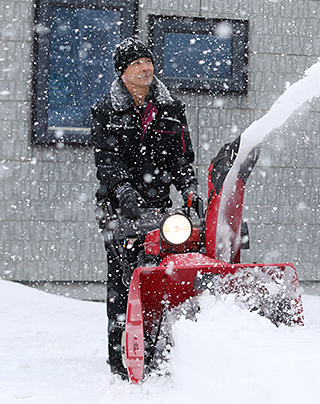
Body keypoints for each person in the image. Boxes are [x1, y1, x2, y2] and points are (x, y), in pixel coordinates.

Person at [91, 37, 203, 378]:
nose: (146, 68)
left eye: (149, 61)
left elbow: (182, 156)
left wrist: (188, 188)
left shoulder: (171, 110)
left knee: (164, 271)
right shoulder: (106, 111)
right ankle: (120, 357)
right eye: (138, 63)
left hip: (157, 208)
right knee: (123, 282)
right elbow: (106, 160)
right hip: (119, 210)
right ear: (123, 72)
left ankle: (169, 344)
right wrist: (123, 190)